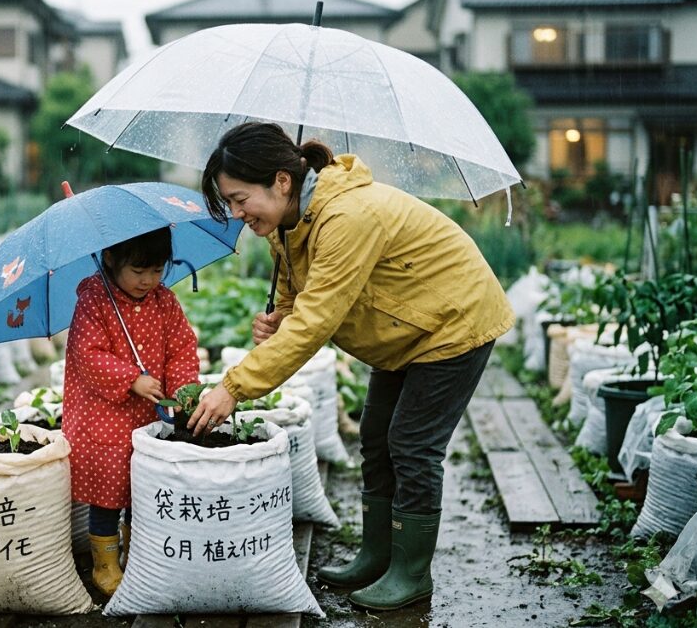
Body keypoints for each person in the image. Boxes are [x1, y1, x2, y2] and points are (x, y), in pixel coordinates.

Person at [188, 122, 513, 611]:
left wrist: (234, 386)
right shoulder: (290, 220)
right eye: (228, 203)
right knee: (376, 436)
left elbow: (317, 318)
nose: (236, 213)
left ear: (280, 181)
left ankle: (411, 574)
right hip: (403, 331)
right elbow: (299, 299)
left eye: (239, 198)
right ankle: (377, 555)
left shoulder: (347, 216)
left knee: (412, 444)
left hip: (451, 321)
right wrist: (280, 319)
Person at [62, 226, 201, 596]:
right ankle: (104, 564)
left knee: (144, 487)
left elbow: (182, 348)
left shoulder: (164, 301)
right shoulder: (94, 300)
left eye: (157, 271)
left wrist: (183, 387)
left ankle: (139, 553)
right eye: (138, 271)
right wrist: (131, 379)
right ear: (110, 259)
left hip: (147, 416)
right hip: (103, 417)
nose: (148, 280)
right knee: (108, 493)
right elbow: (86, 354)